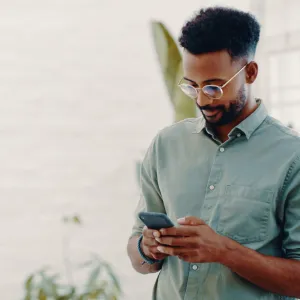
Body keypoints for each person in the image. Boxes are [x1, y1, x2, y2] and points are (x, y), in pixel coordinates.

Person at [127, 6, 300, 300]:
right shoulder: (166, 145)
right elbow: (137, 256)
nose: (202, 99)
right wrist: (148, 247)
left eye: (214, 87)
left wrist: (223, 251)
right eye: (192, 86)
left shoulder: (292, 157)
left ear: (251, 72)